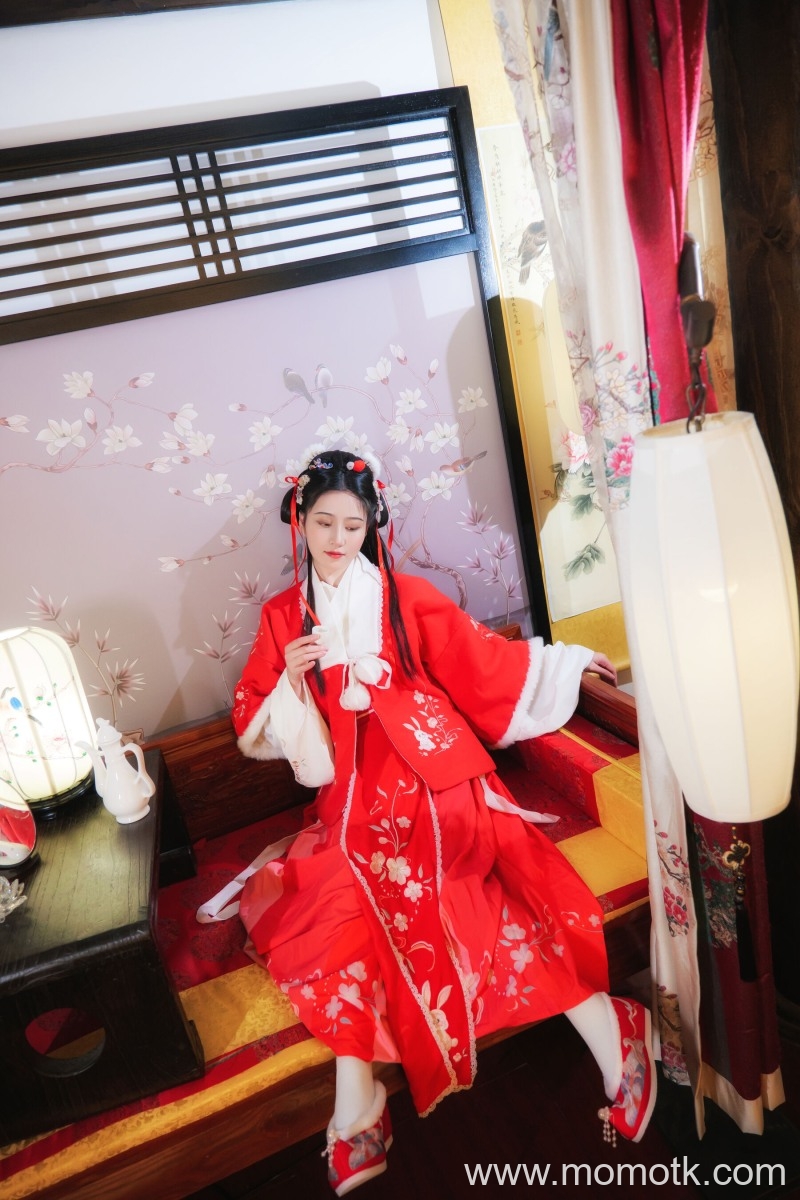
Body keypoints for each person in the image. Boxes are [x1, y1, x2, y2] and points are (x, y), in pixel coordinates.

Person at [205, 447, 656, 1195]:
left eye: (353, 525)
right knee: (343, 884)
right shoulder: (283, 615)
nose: (338, 538)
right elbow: (251, 717)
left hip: (437, 770)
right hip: (353, 792)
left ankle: (602, 1032)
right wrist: (292, 678)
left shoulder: (406, 597)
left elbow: (485, 663)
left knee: (458, 879)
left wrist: (566, 664)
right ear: (300, 521)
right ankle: (361, 1095)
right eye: (323, 522)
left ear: (371, 527)